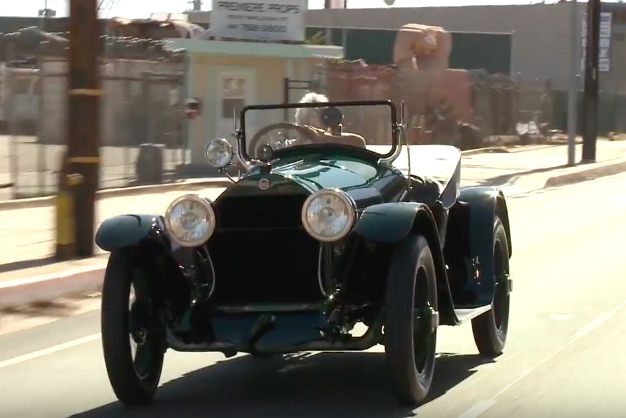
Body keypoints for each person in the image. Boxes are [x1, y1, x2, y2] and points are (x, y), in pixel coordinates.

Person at [295, 92, 367, 148]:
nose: (318, 118)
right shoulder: (296, 145)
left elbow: (359, 143)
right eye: (313, 116)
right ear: (304, 120)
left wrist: (327, 138)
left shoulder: (341, 141)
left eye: (321, 114)